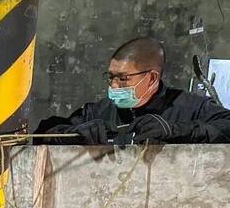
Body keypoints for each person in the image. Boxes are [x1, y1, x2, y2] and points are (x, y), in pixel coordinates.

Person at [34, 36, 230, 144]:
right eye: (111, 77)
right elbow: (43, 133)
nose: (114, 86)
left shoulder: (188, 108)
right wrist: (76, 134)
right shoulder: (98, 112)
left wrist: (176, 130)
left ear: (152, 78)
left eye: (123, 79)